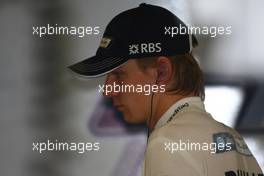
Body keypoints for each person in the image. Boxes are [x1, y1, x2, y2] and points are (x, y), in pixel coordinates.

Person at [69, 3, 263, 176]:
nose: (108, 90)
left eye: (119, 75)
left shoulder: (167, 142)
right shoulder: (234, 140)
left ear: (162, 72)